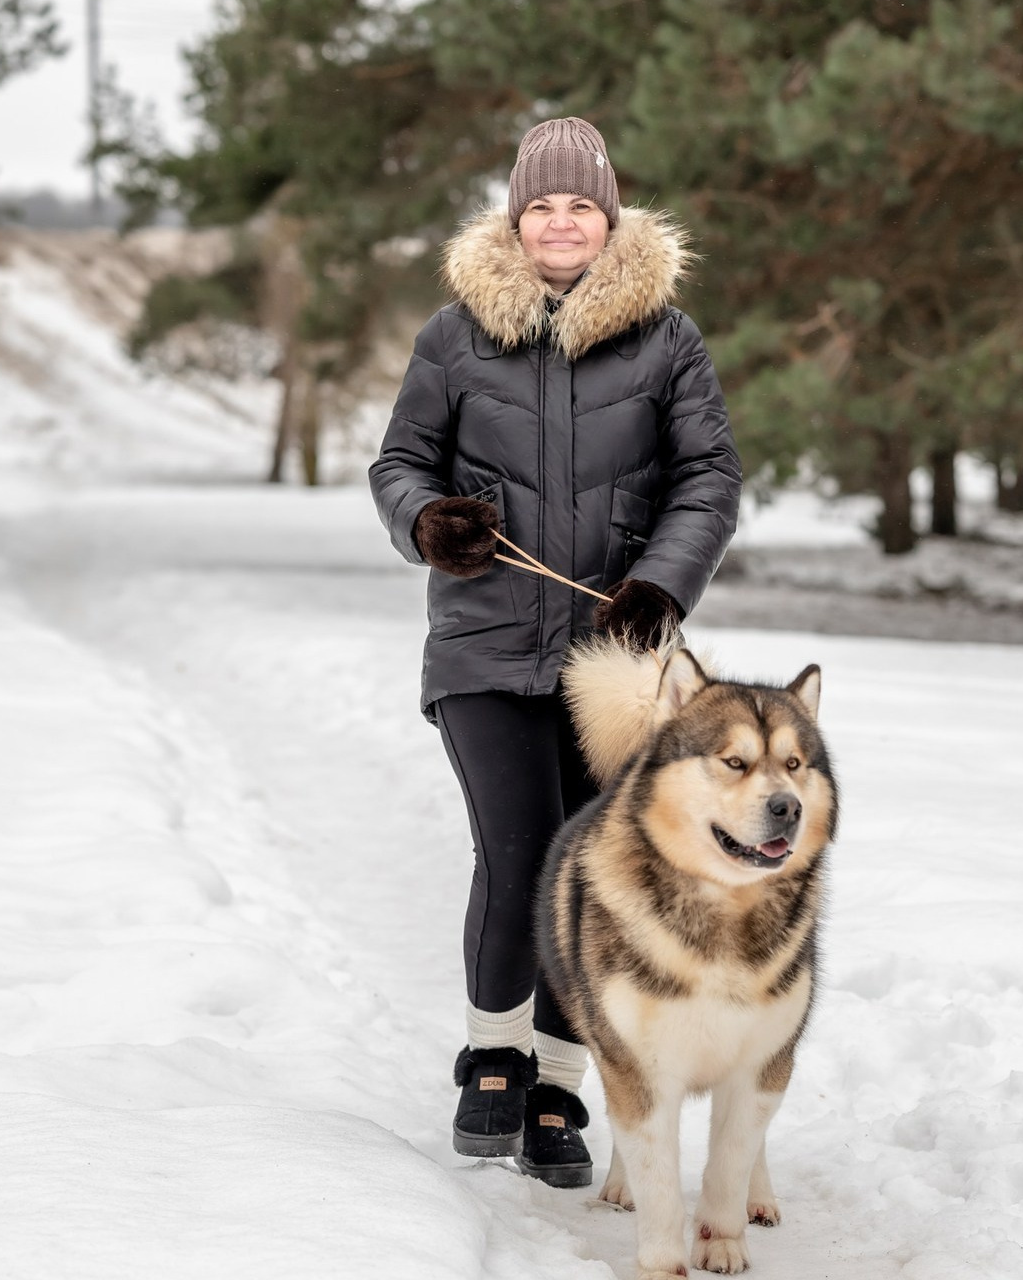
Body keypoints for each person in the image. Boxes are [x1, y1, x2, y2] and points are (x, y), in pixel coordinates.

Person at [369, 117, 742, 1187]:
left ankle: (558, 1087)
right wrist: (426, 519)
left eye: (581, 205)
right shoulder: (453, 336)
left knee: (591, 868)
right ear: (515, 217)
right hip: (482, 643)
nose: (562, 223)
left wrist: (660, 585)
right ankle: (493, 1058)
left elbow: (708, 478)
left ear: (609, 218)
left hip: (613, 663)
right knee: (518, 846)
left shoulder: (667, 339)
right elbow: (400, 461)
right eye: (542, 205)